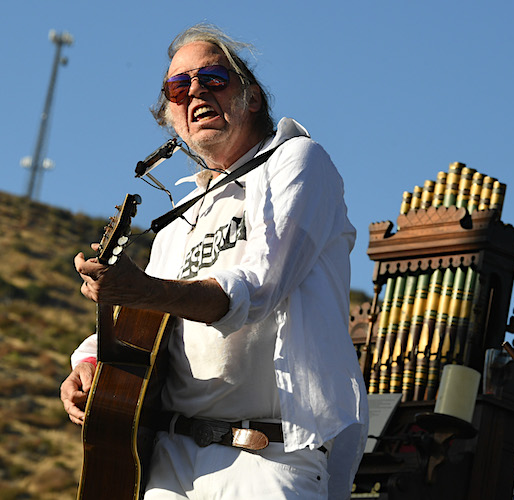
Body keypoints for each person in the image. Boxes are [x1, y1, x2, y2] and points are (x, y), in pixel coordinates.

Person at [60, 23, 367, 500]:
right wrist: (87, 362)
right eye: (178, 87)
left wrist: (145, 290)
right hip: (169, 460)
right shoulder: (181, 218)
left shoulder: (297, 161)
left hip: (268, 458)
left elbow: (258, 287)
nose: (195, 91)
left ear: (253, 99)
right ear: (171, 117)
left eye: (213, 78)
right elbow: (145, 324)